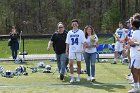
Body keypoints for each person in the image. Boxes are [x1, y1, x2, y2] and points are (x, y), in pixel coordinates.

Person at [128, 20, 140, 93]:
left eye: (131, 25)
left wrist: (131, 42)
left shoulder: (135, 32)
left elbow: (135, 43)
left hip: (136, 55)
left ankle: (136, 87)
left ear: (133, 26)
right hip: (136, 54)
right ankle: (138, 86)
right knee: (138, 71)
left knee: (133, 70)